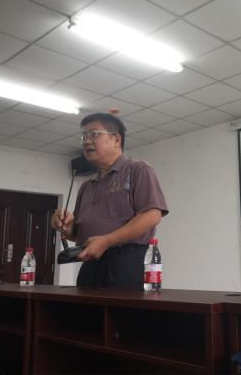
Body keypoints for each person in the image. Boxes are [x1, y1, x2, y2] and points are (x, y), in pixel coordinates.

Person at [51, 113, 168, 288]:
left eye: (93, 134)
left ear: (116, 140)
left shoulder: (137, 169)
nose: (86, 141)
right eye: (83, 137)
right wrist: (64, 224)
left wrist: (106, 241)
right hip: (90, 266)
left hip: (126, 263)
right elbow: (76, 234)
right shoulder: (86, 185)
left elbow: (152, 216)